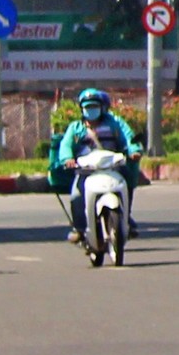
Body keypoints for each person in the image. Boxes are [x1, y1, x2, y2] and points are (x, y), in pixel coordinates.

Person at [54, 89, 143, 243]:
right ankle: (80, 229)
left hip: (112, 167)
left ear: (102, 107)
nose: (91, 110)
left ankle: (126, 219)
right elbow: (66, 145)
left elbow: (129, 138)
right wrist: (67, 159)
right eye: (87, 107)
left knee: (126, 186)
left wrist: (134, 151)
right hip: (85, 170)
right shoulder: (76, 128)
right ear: (81, 109)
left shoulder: (115, 124)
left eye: (94, 106)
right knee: (76, 195)